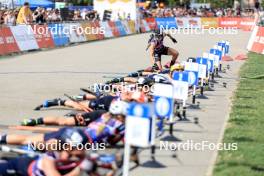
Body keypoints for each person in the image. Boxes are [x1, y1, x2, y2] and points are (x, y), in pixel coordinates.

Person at [0, 100, 128, 147]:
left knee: (28, 140)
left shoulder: (106, 116)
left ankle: (3, 138)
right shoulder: (119, 126)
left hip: (76, 134)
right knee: (35, 145)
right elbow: (112, 142)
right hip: (79, 140)